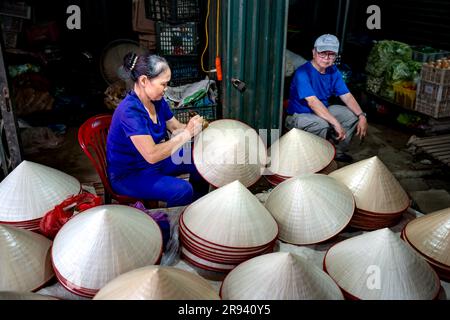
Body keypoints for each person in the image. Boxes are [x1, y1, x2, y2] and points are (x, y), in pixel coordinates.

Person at [106, 52, 209, 207]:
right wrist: (188, 133)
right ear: (144, 81)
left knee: (200, 159)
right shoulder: (130, 112)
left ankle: (195, 208)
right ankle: (174, 226)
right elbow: (152, 154)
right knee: (182, 190)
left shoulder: (157, 101)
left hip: (151, 163)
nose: (166, 89)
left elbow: (175, 127)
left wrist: (197, 127)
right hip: (130, 174)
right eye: (163, 84)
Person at [285, 34, 368, 162]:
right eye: (322, 53)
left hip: (322, 110)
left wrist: (362, 115)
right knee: (321, 124)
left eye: (331, 54)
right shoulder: (303, 72)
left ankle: (337, 151)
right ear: (314, 52)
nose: (326, 58)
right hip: (299, 116)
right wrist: (335, 123)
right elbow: (313, 102)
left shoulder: (333, 71)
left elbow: (347, 96)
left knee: (351, 116)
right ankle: (314, 158)